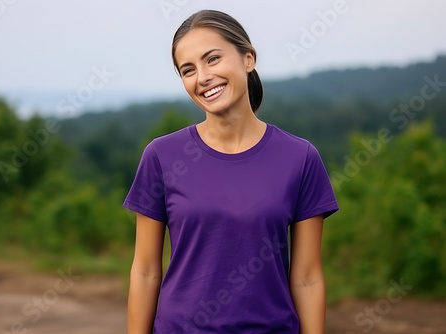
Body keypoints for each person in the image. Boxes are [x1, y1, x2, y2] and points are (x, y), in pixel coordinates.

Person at [123, 9, 339, 334]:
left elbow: (307, 277)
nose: (203, 77)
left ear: (248, 58)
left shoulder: (300, 157)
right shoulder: (161, 156)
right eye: (188, 70)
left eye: (212, 59)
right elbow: (145, 271)